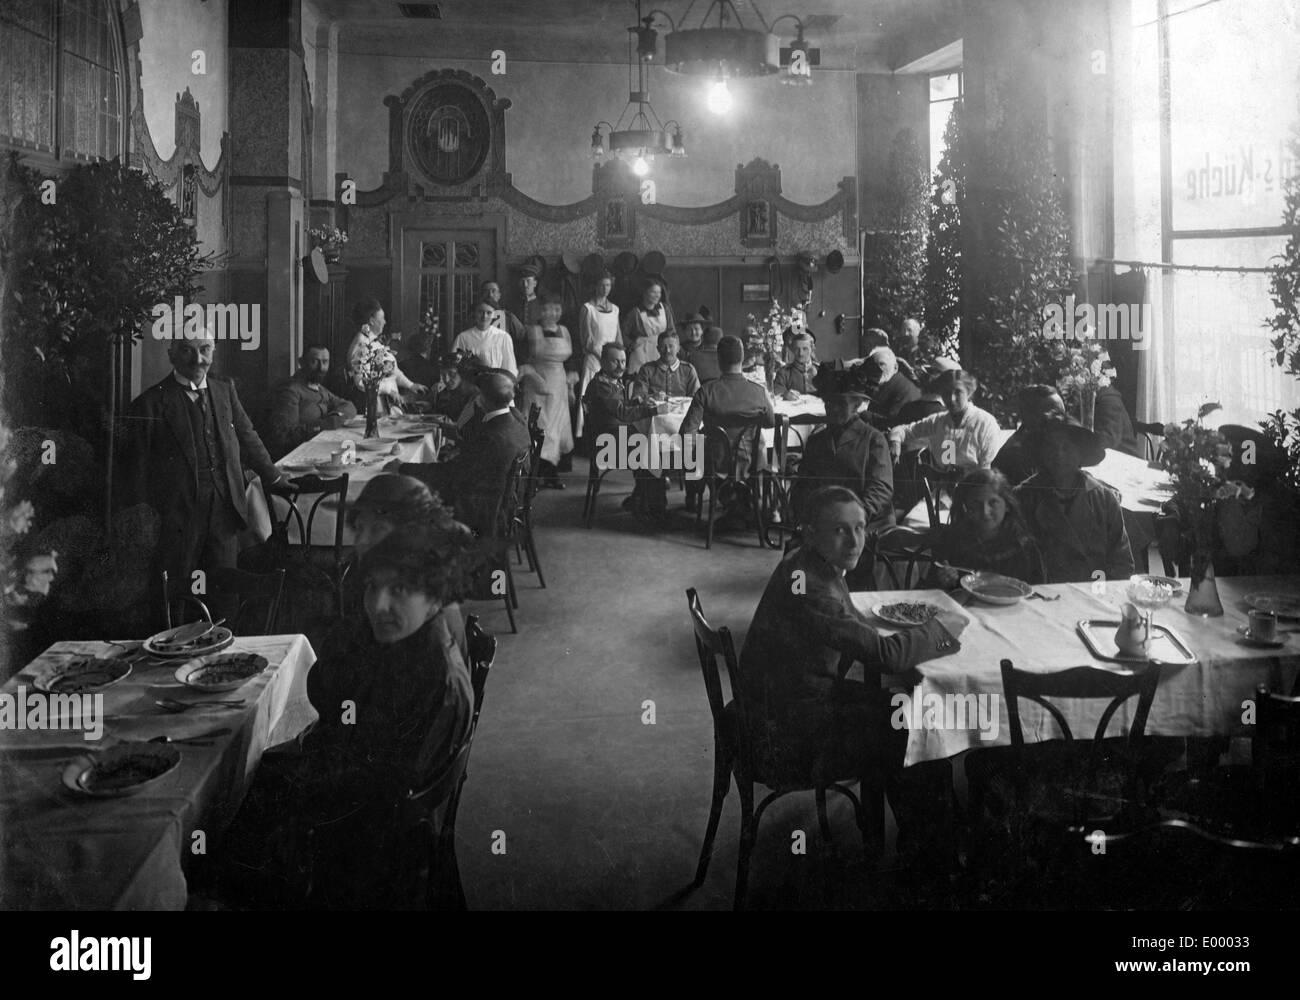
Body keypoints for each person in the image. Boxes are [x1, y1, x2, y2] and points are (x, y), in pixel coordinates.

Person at [212, 524, 476, 909]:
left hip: (364, 848)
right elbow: (329, 691)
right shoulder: (421, 635)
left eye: (399, 590)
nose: (378, 604)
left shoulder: (426, 676)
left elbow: (361, 778)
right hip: (374, 805)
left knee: (224, 810)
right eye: (372, 587)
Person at [739, 487, 967, 850]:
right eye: (839, 530)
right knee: (916, 724)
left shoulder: (809, 561)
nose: (855, 541)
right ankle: (930, 850)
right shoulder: (810, 586)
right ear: (811, 532)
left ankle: (929, 833)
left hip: (783, 703)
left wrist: (926, 591)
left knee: (905, 708)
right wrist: (943, 630)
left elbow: (852, 628)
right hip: (786, 734)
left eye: (860, 527)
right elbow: (887, 655)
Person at [119, 332, 292, 623]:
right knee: (178, 595)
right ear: (171, 355)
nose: (198, 359)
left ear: (213, 351)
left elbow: (248, 436)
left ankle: (224, 652)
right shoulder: (150, 403)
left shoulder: (224, 390)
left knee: (224, 592)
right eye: (187, 351)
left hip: (224, 511)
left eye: (205, 350)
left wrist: (273, 479)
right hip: (177, 518)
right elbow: (135, 472)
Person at [390, 370, 531, 535]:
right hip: (504, 499)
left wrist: (403, 468)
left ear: (482, 399)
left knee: (409, 496)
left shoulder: (491, 437)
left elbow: (451, 472)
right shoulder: (515, 420)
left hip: (481, 508)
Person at [1016, 419, 1134, 583]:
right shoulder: (1024, 497)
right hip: (1042, 595)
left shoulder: (1104, 499)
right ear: (1041, 453)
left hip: (1092, 593)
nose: (1058, 454)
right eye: (1051, 447)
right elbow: (1014, 561)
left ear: (1081, 453)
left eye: (1067, 447)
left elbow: (1122, 563)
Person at [680, 335, 774, 527]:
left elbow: (686, 433)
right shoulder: (759, 392)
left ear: (719, 360)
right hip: (751, 464)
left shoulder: (706, 391)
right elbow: (770, 423)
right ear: (742, 359)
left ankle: (721, 501)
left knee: (695, 453)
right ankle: (750, 505)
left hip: (716, 466)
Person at [583, 343, 667, 519]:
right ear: (603, 362)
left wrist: (639, 401)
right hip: (607, 444)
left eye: (623, 361)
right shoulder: (601, 386)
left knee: (651, 443)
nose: (621, 366)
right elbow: (622, 413)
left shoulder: (609, 381)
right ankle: (653, 506)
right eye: (615, 362)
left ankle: (643, 496)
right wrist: (653, 410)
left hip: (613, 436)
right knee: (653, 448)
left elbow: (619, 407)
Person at [928, 468, 1045, 587]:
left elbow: (1039, 590)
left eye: (993, 502)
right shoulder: (951, 541)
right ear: (965, 507)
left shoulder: (1024, 546)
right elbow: (931, 588)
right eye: (975, 503)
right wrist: (945, 580)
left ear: (1007, 505)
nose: (985, 512)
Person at [888, 370, 1001, 471]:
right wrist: (895, 442)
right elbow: (903, 431)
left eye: (958, 392)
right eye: (946, 393)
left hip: (977, 488)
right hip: (943, 490)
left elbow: (986, 470)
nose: (951, 399)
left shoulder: (985, 424)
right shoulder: (938, 421)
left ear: (969, 392)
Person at [520, 294, 577, 488]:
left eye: (556, 309)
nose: (552, 314)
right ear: (540, 311)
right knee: (539, 429)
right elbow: (524, 361)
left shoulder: (564, 331)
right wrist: (534, 378)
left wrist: (570, 387)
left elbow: (571, 362)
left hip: (559, 385)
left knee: (556, 431)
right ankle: (533, 476)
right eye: (547, 309)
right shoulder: (532, 331)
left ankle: (551, 474)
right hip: (536, 384)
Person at [266, 346, 357, 458]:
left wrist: (335, 416)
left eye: (325, 362)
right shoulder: (290, 390)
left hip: (317, 449)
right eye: (314, 361)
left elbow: (349, 406)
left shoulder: (319, 388)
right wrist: (324, 425)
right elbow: (284, 435)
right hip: (295, 456)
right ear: (301, 362)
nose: (321, 368)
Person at [344, 299, 428, 412]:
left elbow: (392, 371)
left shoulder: (376, 342)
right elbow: (361, 381)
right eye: (382, 318)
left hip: (389, 404)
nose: (385, 322)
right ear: (371, 320)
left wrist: (411, 385)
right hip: (374, 407)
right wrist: (388, 390)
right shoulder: (361, 345)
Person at [576, 270, 623, 442]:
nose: (605, 288)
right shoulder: (587, 309)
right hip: (594, 361)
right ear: (595, 286)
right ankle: (588, 439)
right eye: (602, 285)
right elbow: (586, 341)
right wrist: (604, 359)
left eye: (608, 285)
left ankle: (612, 438)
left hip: (613, 362)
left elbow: (618, 337)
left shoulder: (615, 309)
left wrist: (617, 360)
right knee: (592, 399)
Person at [992, 385, 1068, 486]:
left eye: (1063, 414)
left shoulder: (1049, 444)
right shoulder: (1014, 456)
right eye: (1055, 415)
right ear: (1028, 416)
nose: (1062, 421)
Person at [621, 279, 674, 376]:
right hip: (642, 353)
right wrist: (632, 344)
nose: (657, 295)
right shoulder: (635, 313)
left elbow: (672, 331)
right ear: (644, 293)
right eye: (653, 292)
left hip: (662, 350)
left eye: (659, 292)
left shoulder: (665, 309)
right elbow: (622, 333)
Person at [861, 347, 921, 430]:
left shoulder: (903, 388)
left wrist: (863, 412)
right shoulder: (885, 382)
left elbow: (892, 423)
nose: (878, 369)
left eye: (882, 364)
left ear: (895, 367)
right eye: (873, 366)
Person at [454, 301, 518, 376]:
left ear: (494, 314)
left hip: (496, 383)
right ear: (474, 313)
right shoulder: (463, 337)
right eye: (480, 312)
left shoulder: (503, 337)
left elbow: (510, 369)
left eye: (489, 313)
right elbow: (453, 367)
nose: (484, 316)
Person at [635, 330, 700, 399]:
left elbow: (697, 398)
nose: (667, 350)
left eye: (671, 346)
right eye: (663, 347)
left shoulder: (688, 370)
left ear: (678, 348)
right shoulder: (647, 370)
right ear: (658, 349)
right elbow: (638, 397)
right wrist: (653, 397)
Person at [430, 352, 482, 425]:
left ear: (462, 374)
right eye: (443, 375)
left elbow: (473, 428)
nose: (446, 379)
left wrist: (452, 424)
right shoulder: (444, 392)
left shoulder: (474, 395)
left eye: (452, 374)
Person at [481, 279, 527, 360]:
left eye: (493, 291)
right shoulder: (474, 317)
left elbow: (523, 338)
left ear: (499, 295)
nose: (490, 295)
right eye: (486, 291)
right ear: (481, 295)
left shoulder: (508, 317)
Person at [774, 333, 819, 397]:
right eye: (797, 349)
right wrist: (785, 394)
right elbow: (776, 392)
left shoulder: (821, 371)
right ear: (792, 349)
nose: (801, 353)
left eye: (805, 349)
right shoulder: (783, 373)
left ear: (812, 349)